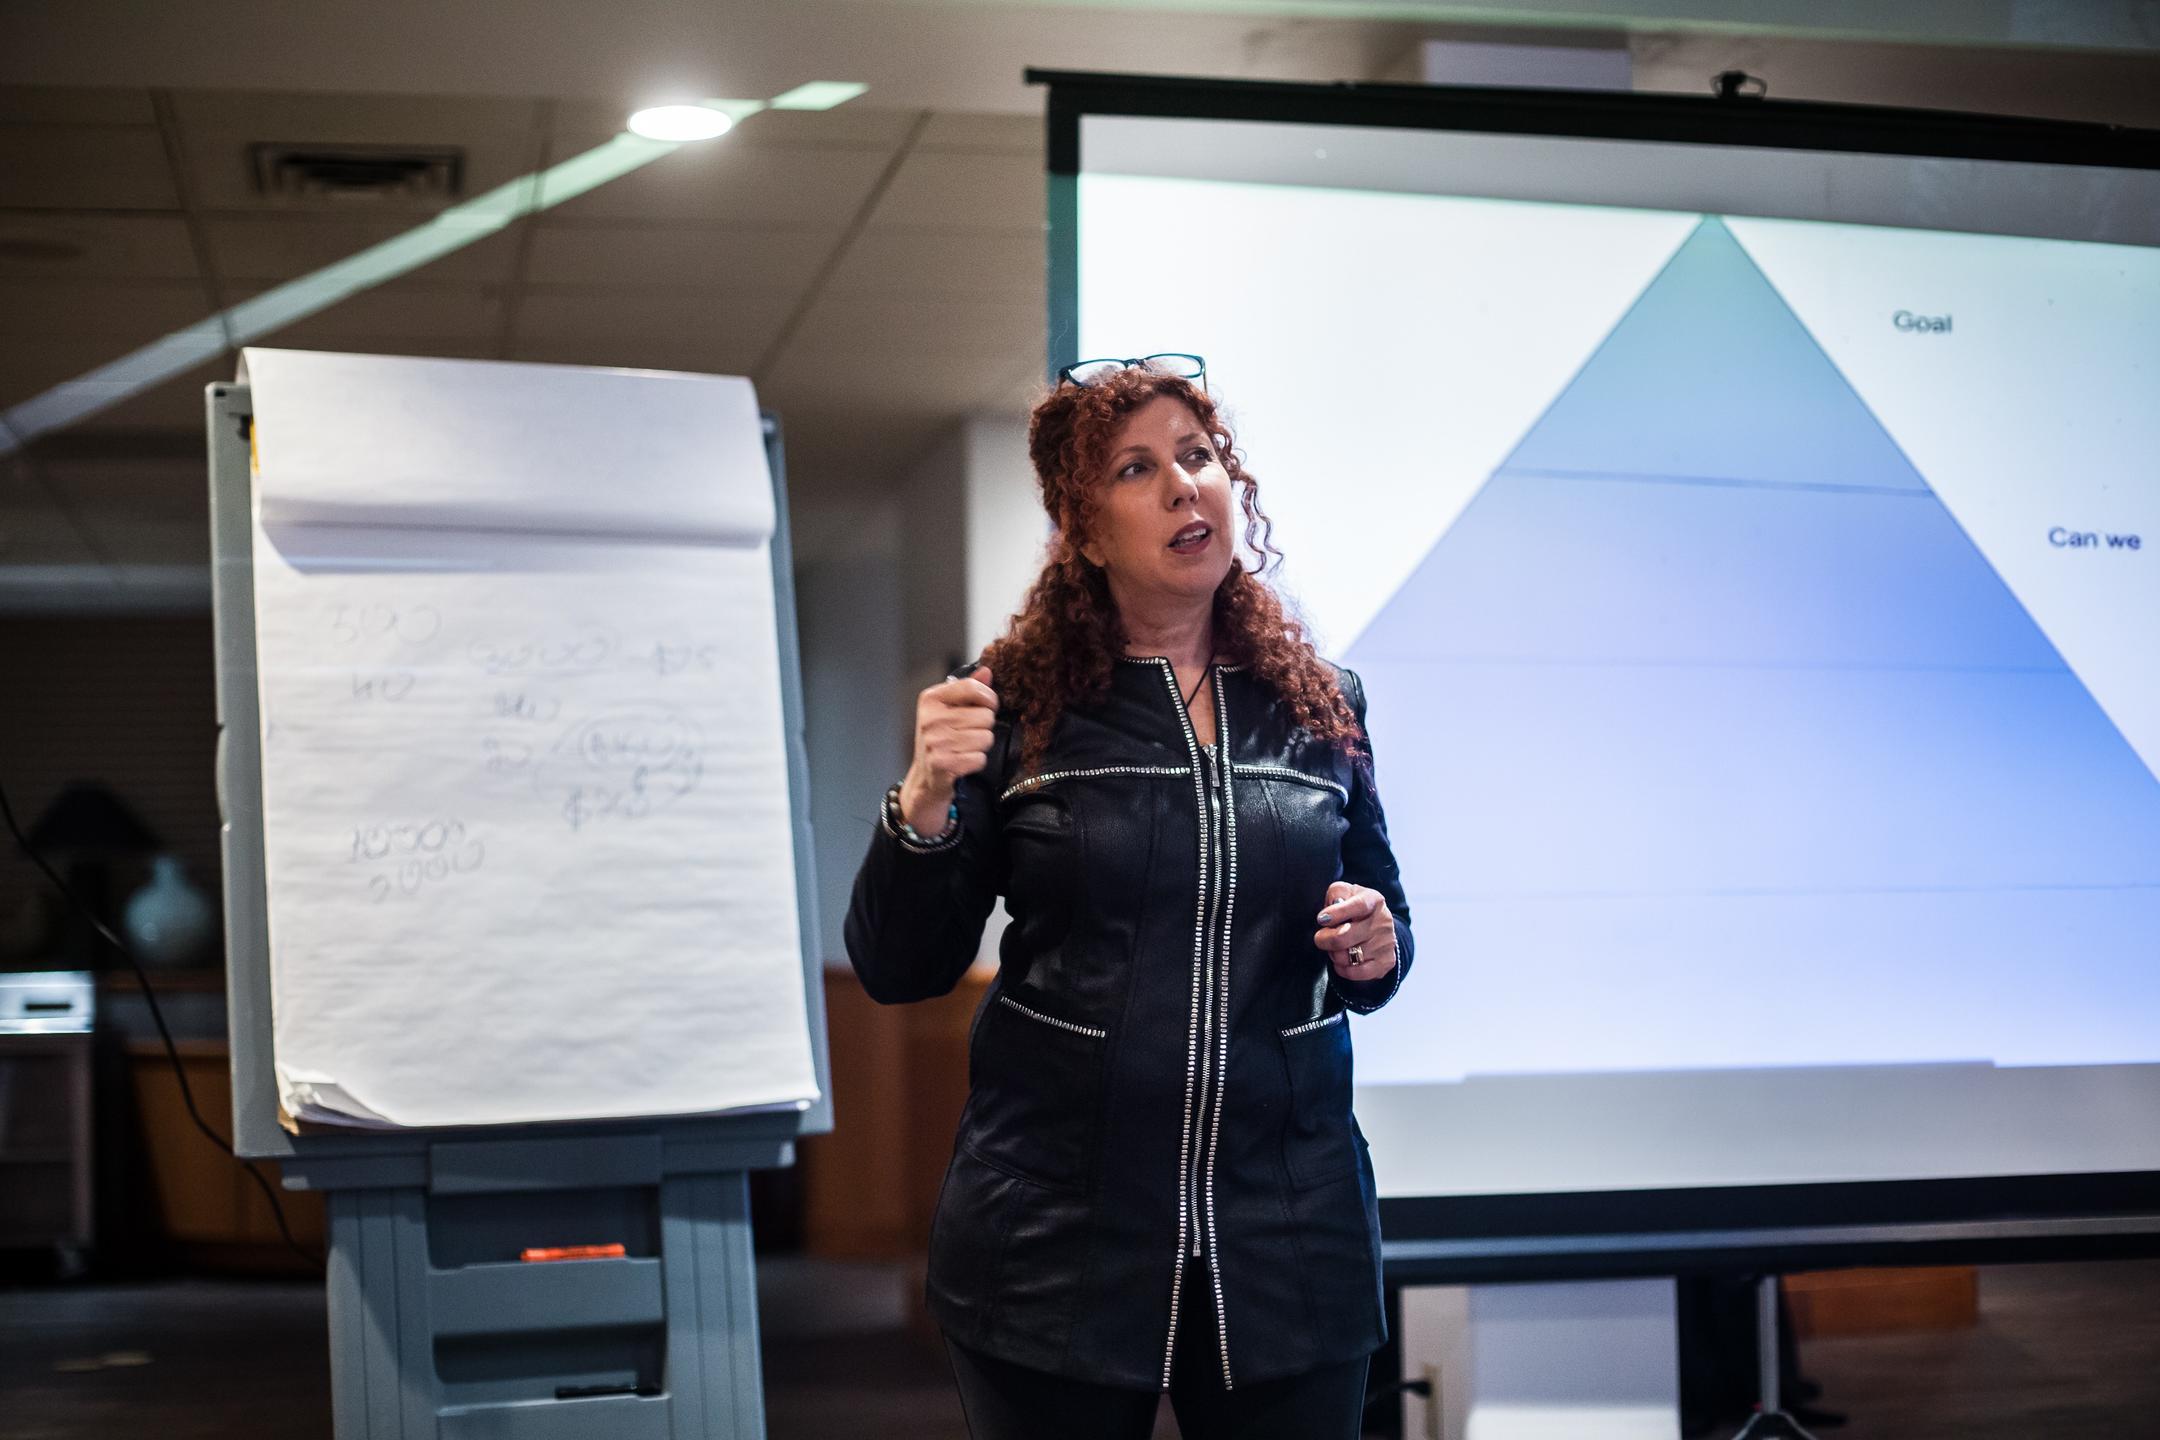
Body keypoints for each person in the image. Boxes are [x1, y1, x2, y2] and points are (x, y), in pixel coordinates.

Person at [844, 354, 1416, 1439]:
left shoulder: (1320, 704)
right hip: (1055, 1239)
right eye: (1136, 469)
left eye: (1197, 457)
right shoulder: (1014, 705)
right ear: (1087, 533)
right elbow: (900, 966)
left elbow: (1382, 932)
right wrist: (923, 799)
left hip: (1287, 1234)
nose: (1182, 486)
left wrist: (1376, 946)